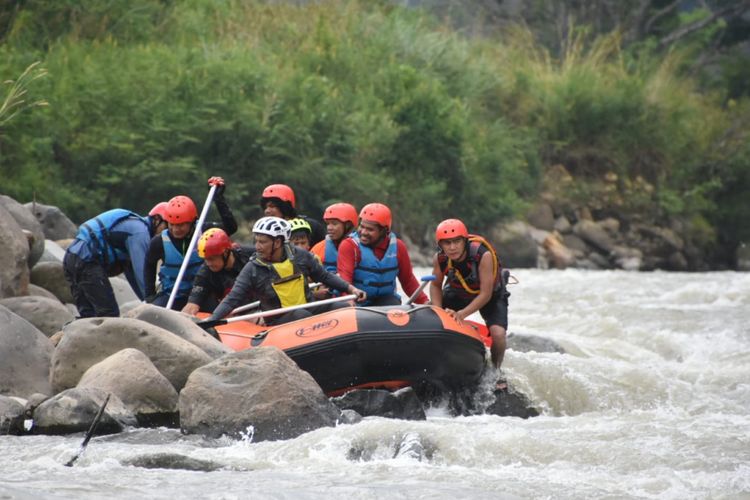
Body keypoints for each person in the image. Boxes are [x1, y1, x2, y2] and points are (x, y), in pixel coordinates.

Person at [205, 216, 367, 326]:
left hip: (307, 307)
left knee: (344, 307)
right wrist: (212, 320)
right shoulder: (252, 269)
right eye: (257, 241)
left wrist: (351, 289)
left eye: (263, 242)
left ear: (278, 242)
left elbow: (324, 276)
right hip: (278, 321)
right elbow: (232, 298)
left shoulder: (301, 256)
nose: (258, 247)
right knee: (301, 315)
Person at [144, 177, 237, 310]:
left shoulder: (204, 231)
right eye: (172, 225)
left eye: (181, 225)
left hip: (202, 293)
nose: (176, 229)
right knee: (152, 314)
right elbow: (149, 265)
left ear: (192, 222)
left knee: (217, 315)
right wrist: (149, 295)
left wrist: (219, 198)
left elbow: (231, 227)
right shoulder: (159, 242)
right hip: (171, 294)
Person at [62, 203, 169, 317]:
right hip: (86, 260)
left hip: (72, 258)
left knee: (89, 315)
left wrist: (148, 301)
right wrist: (158, 306)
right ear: (157, 220)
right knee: (109, 313)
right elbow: (143, 274)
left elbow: (133, 276)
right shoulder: (140, 232)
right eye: (167, 227)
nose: (168, 233)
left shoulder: (133, 232)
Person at [429, 218, 509, 368]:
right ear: (441, 245)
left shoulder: (483, 255)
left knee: (498, 335)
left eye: (456, 241)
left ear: (464, 241)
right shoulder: (439, 258)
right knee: (429, 309)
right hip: (459, 291)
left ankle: (496, 370)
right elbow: (435, 285)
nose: (452, 247)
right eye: (447, 243)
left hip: (491, 295)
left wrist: (461, 314)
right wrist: (439, 312)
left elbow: (486, 293)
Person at [337, 203, 428, 306]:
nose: (363, 232)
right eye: (361, 226)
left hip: (385, 302)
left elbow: (408, 281)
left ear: (384, 231)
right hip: (357, 300)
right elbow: (344, 280)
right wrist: (348, 301)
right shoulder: (349, 246)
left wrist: (425, 302)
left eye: (370, 229)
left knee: (392, 302)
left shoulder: (399, 247)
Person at [181, 228, 255, 315]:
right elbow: (192, 305)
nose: (208, 263)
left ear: (226, 252)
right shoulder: (205, 273)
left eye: (212, 259)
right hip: (232, 311)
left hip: (259, 305)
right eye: (205, 259)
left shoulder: (249, 255)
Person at [260, 183, 326, 245]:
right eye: (265, 207)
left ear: (285, 207)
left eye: (272, 206)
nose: (267, 211)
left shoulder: (312, 227)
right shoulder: (263, 232)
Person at [310, 202, 358, 274]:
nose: (329, 228)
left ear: (348, 225)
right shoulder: (319, 248)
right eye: (328, 223)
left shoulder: (359, 248)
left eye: (334, 223)